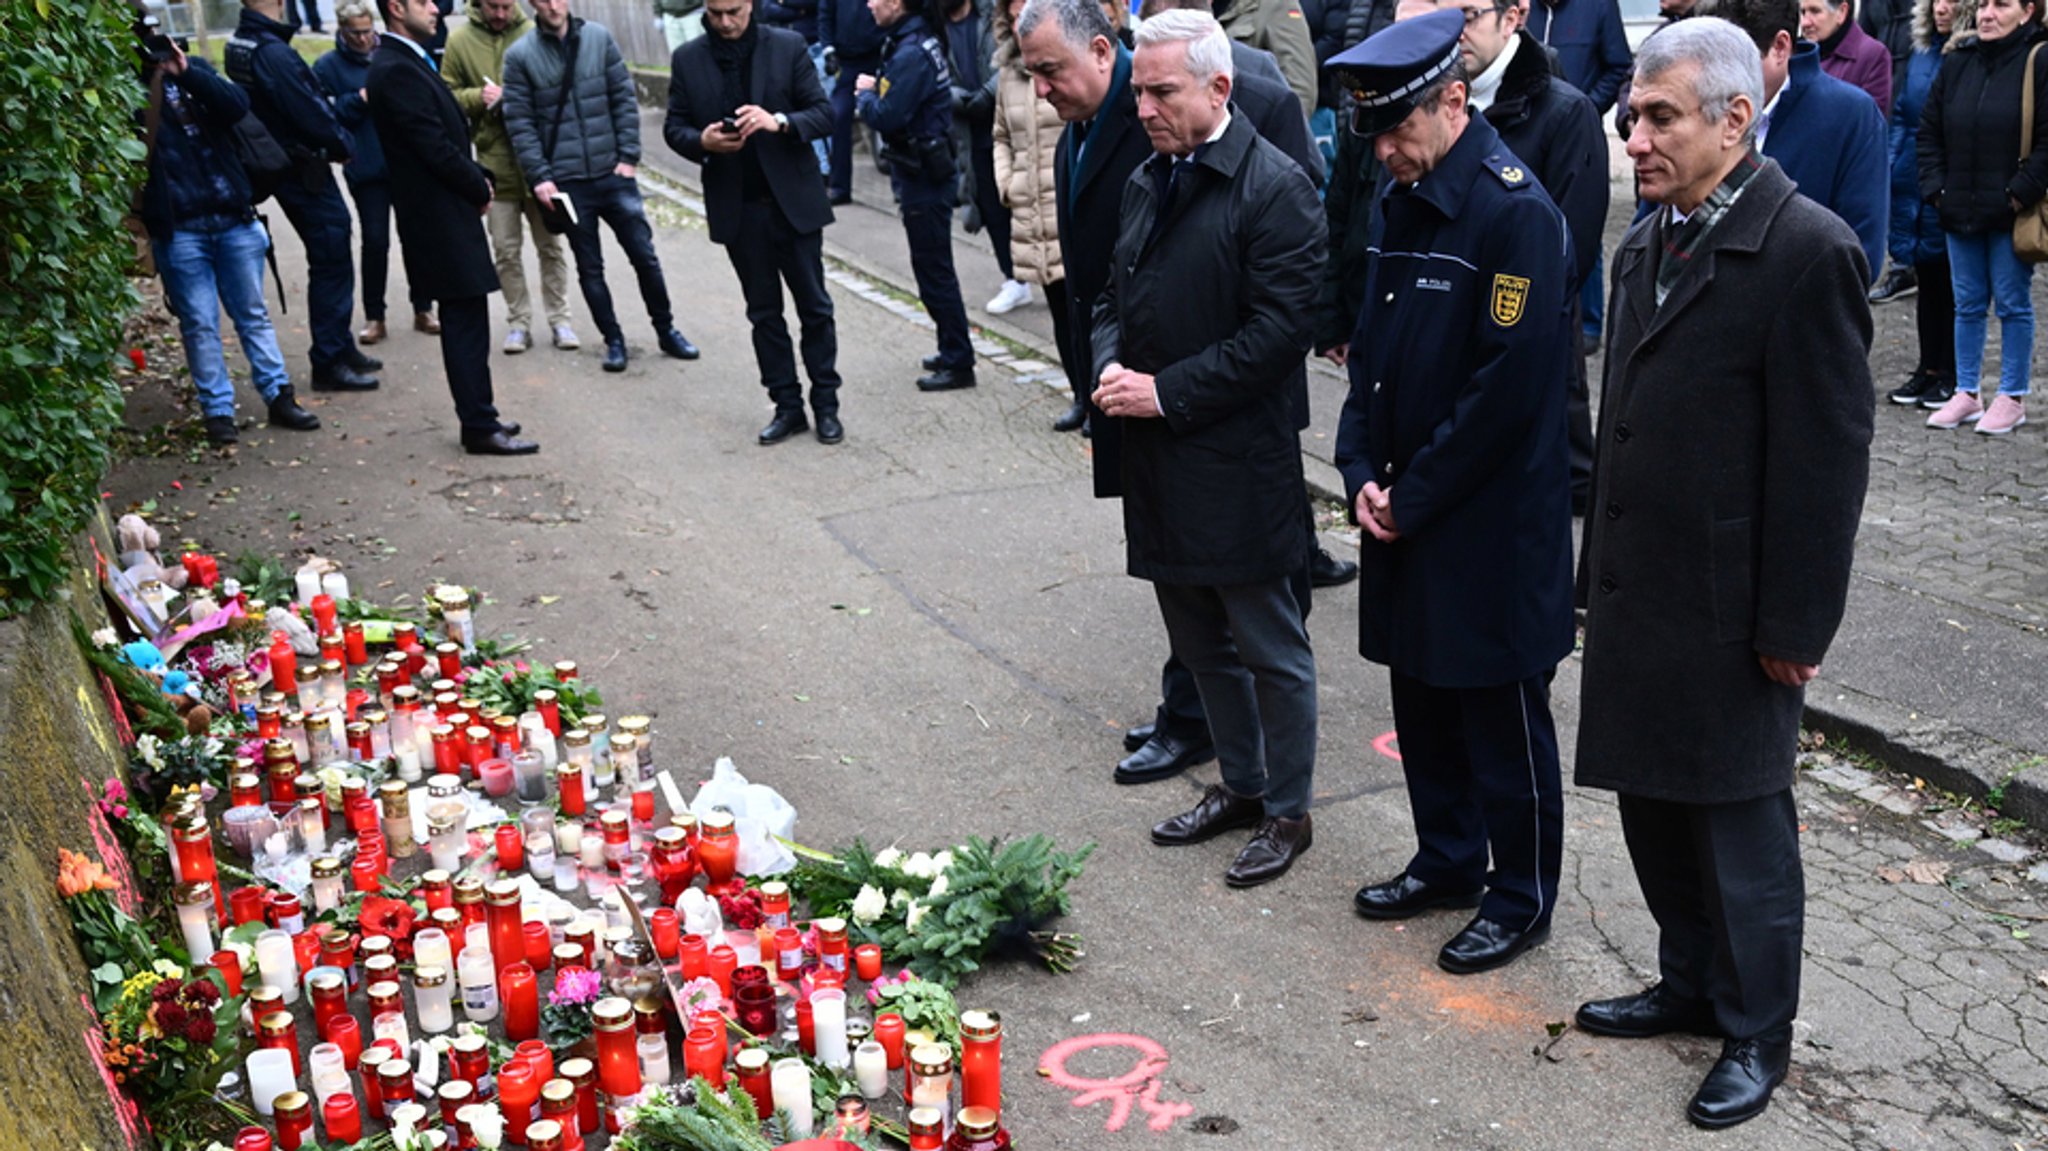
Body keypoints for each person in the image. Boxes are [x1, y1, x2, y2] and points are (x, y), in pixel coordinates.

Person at [1575, 16, 1873, 1130]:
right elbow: (1624, 428)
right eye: (1630, 115)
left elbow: (1823, 460)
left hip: (1734, 603)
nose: (1635, 138)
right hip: (1640, 585)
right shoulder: (1644, 241)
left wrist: (1795, 622)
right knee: (1654, 805)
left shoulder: (1806, 251)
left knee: (1739, 831)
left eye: (1658, 117)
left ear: (1733, 121)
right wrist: (1590, 569)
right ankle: (1686, 980)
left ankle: (1756, 1026)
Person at [1328, 10, 1576, 974]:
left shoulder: (1514, 212)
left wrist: (1411, 494)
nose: (1384, 151)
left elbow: (1507, 392)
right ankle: (1446, 859)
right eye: (1375, 135)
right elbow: (1370, 358)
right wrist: (1356, 472)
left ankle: (1520, 896)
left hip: (1484, 530)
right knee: (1422, 700)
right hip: (1407, 513)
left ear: (1455, 101)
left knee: (1501, 728)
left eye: (1398, 129)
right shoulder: (1405, 196)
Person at [1091, 9, 1326, 887]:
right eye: (1139, 89)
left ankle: (1289, 811)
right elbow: (1113, 292)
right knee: (1200, 644)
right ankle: (1241, 782)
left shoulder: (1275, 187)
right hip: (1159, 458)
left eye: (1161, 90)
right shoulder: (1151, 175)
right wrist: (1111, 364)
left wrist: (1164, 391)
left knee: (1270, 645)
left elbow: (1278, 335)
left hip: (1236, 463)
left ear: (1219, 89)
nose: (1141, 106)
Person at [1396, 0, 1606, 512]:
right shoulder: (1424, 103)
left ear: (1512, 16)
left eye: (1466, 15)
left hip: (1520, 350)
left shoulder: (1564, 113)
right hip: (1438, 354)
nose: (1453, 33)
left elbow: (1567, 252)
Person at [665, 0, 845, 445]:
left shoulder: (787, 45)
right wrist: (702, 141)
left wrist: (778, 121)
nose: (725, 22)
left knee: (815, 310)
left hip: (793, 205)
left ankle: (826, 405)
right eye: (716, 13)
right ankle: (787, 407)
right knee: (764, 314)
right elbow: (674, 127)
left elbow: (824, 114)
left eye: (734, 11)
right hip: (739, 209)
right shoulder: (688, 58)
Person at [369, 0, 540, 455]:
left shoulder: (407, 59)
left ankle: (481, 416)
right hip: (437, 216)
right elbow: (434, 147)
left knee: (469, 317)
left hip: (444, 210)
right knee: (464, 320)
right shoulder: (395, 68)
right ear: (395, 7)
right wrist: (480, 183)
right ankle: (479, 426)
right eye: (424, 2)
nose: (435, 9)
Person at [137, 39, 322, 446]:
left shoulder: (193, 72)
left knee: (252, 313)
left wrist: (187, 72)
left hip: (232, 217)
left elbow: (236, 106)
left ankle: (278, 395)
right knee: (199, 323)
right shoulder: (125, 91)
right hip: (180, 227)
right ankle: (217, 411)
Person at [503, 0, 702, 373]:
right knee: (590, 268)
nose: (552, 5)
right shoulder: (520, 57)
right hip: (568, 182)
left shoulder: (598, 38)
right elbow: (521, 124)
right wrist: (541, 177)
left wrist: (628, 157)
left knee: (645, 257)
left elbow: (624, 98)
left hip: (613, 174)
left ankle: (667, 330)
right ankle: (614, 341)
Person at [227, 0, 384, 392]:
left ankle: (341, 346)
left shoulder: (242, 44)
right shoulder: (272, 52)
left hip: (280, 162)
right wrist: (341, 143)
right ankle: (329, 361)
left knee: (332, 251)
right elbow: (310, 110)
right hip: (300, 166)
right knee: (331, 253)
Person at [1919, 0, 2047, 435]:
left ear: (2028, 12)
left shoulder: (2039, 59)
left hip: (2009, 211)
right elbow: (1929, 132)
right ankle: (1967, 392)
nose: (1987, 14)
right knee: (1967, 304)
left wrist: (2016, 195)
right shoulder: (1959, 61)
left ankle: (2012, 397)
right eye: (1983, 5)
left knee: (2012, 303)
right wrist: (1937, 191)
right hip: (1959, 209)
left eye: (2001, 5)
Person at [1708, 0, 1889, 277]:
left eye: (1734, 62)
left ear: (1780, 48)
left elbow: (1859, 254)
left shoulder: (1852, 116)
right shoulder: (1700, 106)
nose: (1721, 78)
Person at [443, 0, 581, 356]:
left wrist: (516, 96)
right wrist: (479, 97)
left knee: (551, 246)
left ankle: (560, 318)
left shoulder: (535, 33)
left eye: (507, 6)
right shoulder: (459, 42)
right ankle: (518, 322)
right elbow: (445, 98)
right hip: (495, 163)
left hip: (540, 165)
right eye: (493, 7)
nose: (501, 14)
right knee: (505, 252)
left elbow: (562, 87)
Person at [857, 0, 979, 390]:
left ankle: (958, 361)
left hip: (923, 174)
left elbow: (888, 115)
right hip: (924, 169)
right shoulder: (914, 42)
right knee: (932, 268)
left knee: (934, 271)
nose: (869, 4)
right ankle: (950, 348)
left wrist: (866, 96)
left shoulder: (911, 52)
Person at [315, 3, 437, 347]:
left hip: (404, 163)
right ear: (342, 31)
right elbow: (325, 113)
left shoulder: (390, 56)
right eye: (356, 33)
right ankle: (375, 315)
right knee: (376, 241)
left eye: (368, 31)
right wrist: (361, 99)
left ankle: (424, 307)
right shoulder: (328, 67)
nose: (364, 39)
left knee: (416, 236)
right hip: (366, 168)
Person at [1522, 0, 1630, 352]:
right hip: (1528, 128)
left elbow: (1618, 66)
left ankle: (1588, 323)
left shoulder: (1598, 6)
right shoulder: (1527, 10)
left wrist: (1584, 105)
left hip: (1579, 134)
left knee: (1582, 222)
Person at [991, 0, 1077, 426]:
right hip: (1031, 207)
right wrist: (1008, 183)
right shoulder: (1008, 71)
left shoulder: (1066, 60)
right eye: (1012, 8)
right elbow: (1001, 135)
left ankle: (1099, 400)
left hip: (1068, 200)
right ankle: (1080, 395)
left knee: (1088, 307)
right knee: (1059, 311)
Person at [1876, 0, 1956, 409]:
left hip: (1949, 182)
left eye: (1951, 1)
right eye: (1935, 1)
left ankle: (1952, 372)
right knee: (1927, 282)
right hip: (1913, 178)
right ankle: (1927, 369)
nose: (1942, 8)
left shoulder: (1965, 56)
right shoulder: (1922, 53)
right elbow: (1904, 116)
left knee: (1953, 284)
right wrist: (1891, 164)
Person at [945, 0, 1033, 313]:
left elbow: (1013, 55)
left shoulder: (991, 14)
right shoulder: (936, 26)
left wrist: (988, 92)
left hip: (1013, 119)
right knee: (993, 208)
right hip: (973, 133)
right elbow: (936, 76)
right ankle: (1014, 279)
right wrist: (962, 99)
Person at [823, 0, 888, 202]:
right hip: (848, 62)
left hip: (879, 57)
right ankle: (840, 187)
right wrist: (828, 49)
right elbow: (825, 14)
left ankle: (901, 188)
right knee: (838, 116)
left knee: (890, 116)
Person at [1215, 0, 1321, 116]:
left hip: (1252, 125)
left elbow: (1300, 87)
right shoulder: (1196, 8)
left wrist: (1280, 130)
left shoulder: (1276, 5)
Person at [1803, 0, 1895, 111]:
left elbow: (1869, 121)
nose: (1805, 22)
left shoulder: (1873, 56)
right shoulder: (1795, 53)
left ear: (1841, 12)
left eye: (1815, 11)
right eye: (1803, 12)